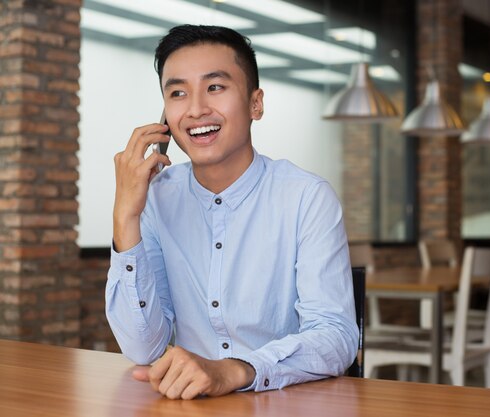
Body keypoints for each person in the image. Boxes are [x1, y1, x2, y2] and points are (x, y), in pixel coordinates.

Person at [105, 24, 358, 400]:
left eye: (215, 87)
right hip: (191, 405)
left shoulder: (306, 197)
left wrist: (236, 371)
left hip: (286, 404)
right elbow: (142, 348)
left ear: (255, 103)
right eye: (177, 93)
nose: (195, 109)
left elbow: (336, 338)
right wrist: (125, 216)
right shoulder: (157, 198)